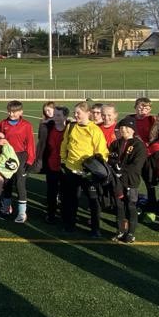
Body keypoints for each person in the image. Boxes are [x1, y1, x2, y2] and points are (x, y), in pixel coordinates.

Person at [59, 101, 109, 237]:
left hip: (88, 172)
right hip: (71, 169)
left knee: (93, 201)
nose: (75, 115)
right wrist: (63, 160)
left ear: (88, 114)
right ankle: (69, 225)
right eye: (75, 113)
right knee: (71, 199)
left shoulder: (95, 130)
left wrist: (95, 166)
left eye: (78, 113)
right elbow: (65, 144)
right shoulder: (71, 126)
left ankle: (95, 228)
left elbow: (102, 152)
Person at [108, 116, 147, 243]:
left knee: (131, 206)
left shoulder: (138, 145)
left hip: (131, 180)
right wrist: (113, 164)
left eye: (127, 127)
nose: (124, 129)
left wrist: (120, 169)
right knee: (118, 206)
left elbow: (137, 165)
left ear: (133, 129)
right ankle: (120, 231)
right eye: (122, 127)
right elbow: (110, 158)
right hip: (117, 181)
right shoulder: (116, 143)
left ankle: (131, 233)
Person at [0, 101, 35, 223]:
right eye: (9, 111)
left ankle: (22, 212)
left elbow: (30, 144)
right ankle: (6, 208)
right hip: (8, 157)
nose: (11, 114)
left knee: (20, 184)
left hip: (21, 156)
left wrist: (30, 160)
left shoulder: (26, 125)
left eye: (14, 112)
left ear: (20, 112)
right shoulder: (3, 123)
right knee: (7, 183)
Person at [36, 106, 67, 224]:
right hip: (51, 164)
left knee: (65, 192)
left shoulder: (70, 127)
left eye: (59, 115)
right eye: (54, 115)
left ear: (65, 117)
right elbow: (42, 143)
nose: (56, 118)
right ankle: (51, 214)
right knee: (51, 191)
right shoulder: (48, 127)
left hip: (65, 165)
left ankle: (64, 214)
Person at [128, 97, 158, 210]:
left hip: (147, 155)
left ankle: (152, 206)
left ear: (150, 109)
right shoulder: (129, 119)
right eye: (140, 106)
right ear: (135, 107)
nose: (143, 109)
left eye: (146, 107)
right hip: (133, 155)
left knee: (149, 181)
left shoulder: (153, 120)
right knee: (131, 181)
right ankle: (131, 204)